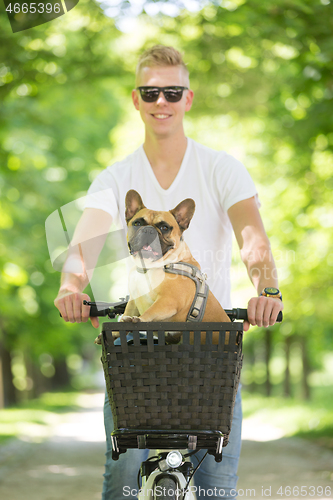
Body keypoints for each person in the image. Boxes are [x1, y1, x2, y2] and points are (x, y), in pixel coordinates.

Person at [54, 45, 284, 499]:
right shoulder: (116, 178)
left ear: (188, 99)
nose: (162, 102)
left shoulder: (222, 168)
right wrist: (71, 286)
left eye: (172, 92)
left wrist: (268, 290)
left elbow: (253, 240)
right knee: (122, 480)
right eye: (151, 92)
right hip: (138, 356)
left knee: (218, 488)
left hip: (210, 352)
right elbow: (84, 244)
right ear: (136, 99)